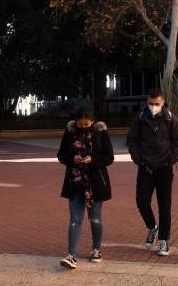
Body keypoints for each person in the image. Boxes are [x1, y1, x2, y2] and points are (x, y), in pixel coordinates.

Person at [126, 88, 178, 257]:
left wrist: (170, 159)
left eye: (157, 104)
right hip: (145, 167)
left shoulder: (170, 119)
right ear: (147, 102)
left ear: (163, 103)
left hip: (165, 168)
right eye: (151, 103)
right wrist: (138, 159)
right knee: (142, 202)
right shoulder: (140, 118)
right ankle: (152, 228)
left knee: (164, 206)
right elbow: (132, 139)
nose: (153, 106)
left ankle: (164, 241)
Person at [57, 107, 114, 270]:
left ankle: (96, 249)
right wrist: (72, 158)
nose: (83, 127)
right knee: (75, 220)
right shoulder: (70, 132)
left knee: (95, 219)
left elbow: (109, 157)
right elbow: (61, 155)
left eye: (86, 124)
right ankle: (71, 255)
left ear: (92, 121)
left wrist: (93, 160)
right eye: (80, 124)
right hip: (75, 182)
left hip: (95, 183)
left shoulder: (101, 132)